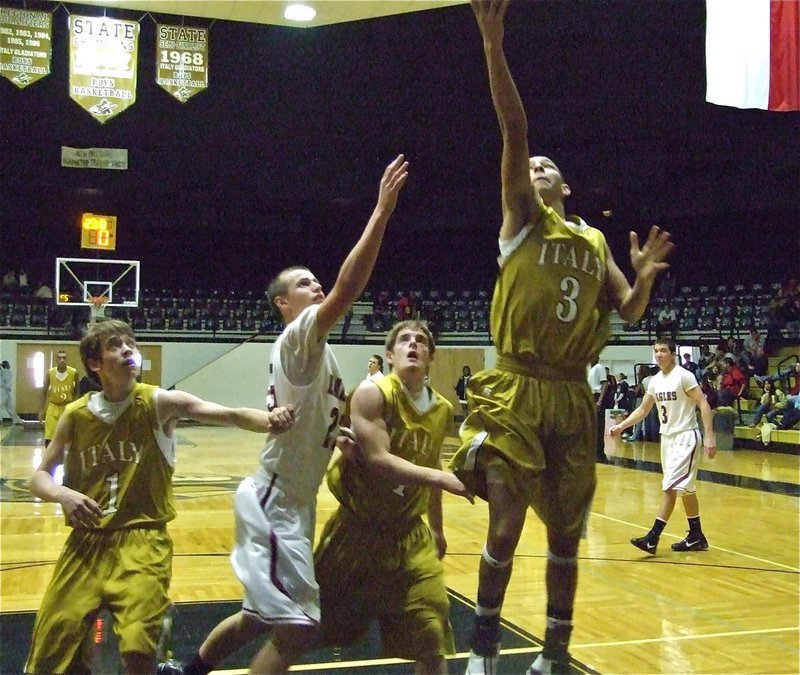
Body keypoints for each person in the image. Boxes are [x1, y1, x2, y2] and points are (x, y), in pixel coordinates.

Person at [449, 2, 674, 673]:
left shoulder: (592, 237)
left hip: (572, 397)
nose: (536, 168)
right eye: (532, 166)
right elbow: (515, 129)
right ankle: (485, 650)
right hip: (517, 387)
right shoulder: (521, 218)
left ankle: (554, 653)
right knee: (505, 525)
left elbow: (629, 312)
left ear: (567, 186)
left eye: (549, 167)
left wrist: (646, 276)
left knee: (567, 539)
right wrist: (494, 45)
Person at [158, 155, 409, 675]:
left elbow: (310, 413)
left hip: (293, 500)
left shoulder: (322, 355)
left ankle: (187, 670)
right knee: (299, 627)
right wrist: (381, 212)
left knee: (257, 616)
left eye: (316, 281)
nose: (317, 287)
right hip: (275, 498)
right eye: (305, 284)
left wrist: (333, 433)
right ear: (282, 303)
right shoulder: (299, 337)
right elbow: (348, 288)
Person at [25, 319, 295, 675]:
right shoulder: (75, 416)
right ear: (95, 363)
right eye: (115, 345)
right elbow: (39, 478)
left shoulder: (158, 402)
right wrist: (64, 495)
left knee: (138, 651)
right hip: (86, 544)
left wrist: (270, 419)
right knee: (52, 651)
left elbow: (228, 413)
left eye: (131, 344)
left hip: (143, 539)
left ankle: (153, 630)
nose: (127, 350)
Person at [312, 320, 472, 674]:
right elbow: (378, 461)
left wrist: (438, 528)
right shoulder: (373, 394)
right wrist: (446, 480)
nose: (413, 344)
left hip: (408, 536)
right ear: (389, 354)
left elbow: (430, 462)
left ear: (431, 356)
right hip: (356, 531)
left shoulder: (443, 409)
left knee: (432, 636)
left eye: (421, 341)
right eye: (404, 340)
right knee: (303, 631)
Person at [608, 339, 716, 555]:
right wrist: (621, 426)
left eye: (663, 351)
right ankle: (696, 536)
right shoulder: (655, 381)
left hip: (686, 437)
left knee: (669, 488)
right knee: (687, 489)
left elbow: (703, 403)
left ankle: (652, 537)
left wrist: (710, 437)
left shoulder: (684, 376)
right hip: (667, 439)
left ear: (673, 354)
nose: (658, 355)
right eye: (655, 351)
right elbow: (643, 410)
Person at [40, 349, 78, 446]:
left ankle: (68, 460)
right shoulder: (50, 373)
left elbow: (77, 392)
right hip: (53, 407)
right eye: (59, 358)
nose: (62, 360)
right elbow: (44, 392)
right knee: (49, 438)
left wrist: (76, 408)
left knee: (69, 437)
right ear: (56, 360)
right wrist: (41, 410)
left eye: (64, 358)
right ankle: (50, 459)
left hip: (67, 407)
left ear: (67, 359)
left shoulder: (73, 373)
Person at [587, 358, 611, 463]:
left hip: (597, 396)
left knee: (599, 426)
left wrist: (599, 401)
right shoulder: (590, 369)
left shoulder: (599, 367)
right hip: (591, 396)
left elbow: (605, 384)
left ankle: (600, 454)